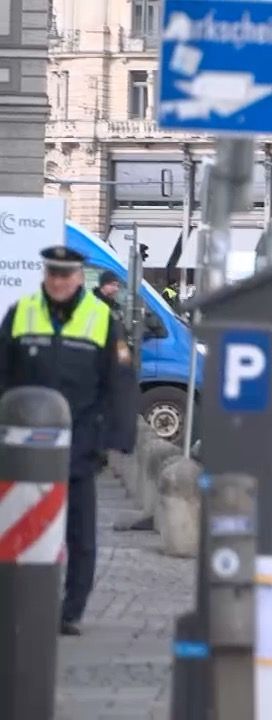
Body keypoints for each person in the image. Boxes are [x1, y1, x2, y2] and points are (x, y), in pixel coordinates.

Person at [0, 246, 137, 636]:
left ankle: (71, 610)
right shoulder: (21, 312)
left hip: (79, 442)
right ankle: (19, 602)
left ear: (78, 277)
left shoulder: (101, 319)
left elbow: (120, 383)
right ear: (46, 276)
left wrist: (116, 438)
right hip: (24, 446)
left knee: (80, 534)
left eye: (66, 275)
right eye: (53, 274)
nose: (58, 282)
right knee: (19, 525)